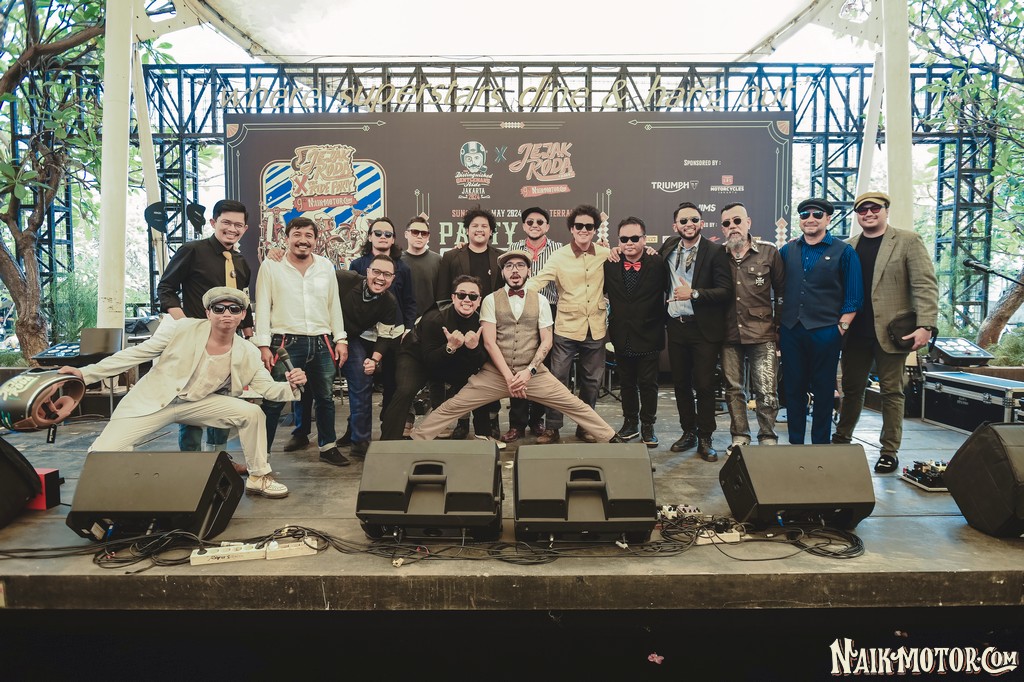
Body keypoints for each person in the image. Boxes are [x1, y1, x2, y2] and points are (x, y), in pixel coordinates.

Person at [59, 288, 306, 499]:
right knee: (100, 455)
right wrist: (84, 374)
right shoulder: (181, 328)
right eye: (219, 309)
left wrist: (291, 386)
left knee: (252, 413)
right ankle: (112, 496)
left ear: (242, 315)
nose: (226, 314)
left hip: (197, 404)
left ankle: (259, 477)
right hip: (152, 401)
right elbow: (136, 354)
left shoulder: (248, 352)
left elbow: (268, 389)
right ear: (208, 313)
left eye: (234, 309)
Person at [411, 250, 623, 444]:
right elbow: (489, 342)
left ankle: (610, 437)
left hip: (533, 374)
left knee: (573, 403)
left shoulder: (540, 300)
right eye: (509, 266)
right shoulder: (490, 300)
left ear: (528, 271)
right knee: (454, 405)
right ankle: (416, 439)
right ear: (503, 272)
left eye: (520, 265)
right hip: (495, 373)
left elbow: (547, 341)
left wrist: (529, 372)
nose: (515, 270)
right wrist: (509, 378)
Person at [832, 191, 939, 473]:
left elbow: (925, 284)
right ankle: (841, 439)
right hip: (855, 332)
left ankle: (889, 451)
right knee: (851, 389)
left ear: (886, 210)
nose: (868, 213)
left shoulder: (907, 241)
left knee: (892, 392)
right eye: (862, 209)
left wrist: (926, 325)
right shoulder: (848, 247)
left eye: (874, 208)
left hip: (893, 332)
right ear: (857, 214)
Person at [157, 198, 253, 455]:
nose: (232, 229)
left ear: (245, 229)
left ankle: (218, 459)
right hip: (196, 342)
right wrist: (184, 323)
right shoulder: (192, 250)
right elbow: (165, 288)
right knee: (192, 403)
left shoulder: (241, 262)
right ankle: (192, 462)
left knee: (224, 402)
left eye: (238, 225)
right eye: (226, 222)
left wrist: (249, 337)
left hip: (229, 344)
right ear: (213, 222)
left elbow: (243, 302)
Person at [254, 217, 348, 465]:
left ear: (316, 240)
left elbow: (334, 304)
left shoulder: (325, 266)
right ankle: (261, 457)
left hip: (321, 341)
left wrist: (340, 339)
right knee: (274, 400)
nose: (302, 240)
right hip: (284, 342)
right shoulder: (271, 266)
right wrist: (263, 345)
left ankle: (328, 447)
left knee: (325, 398)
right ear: (287, 238)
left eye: (308, 235)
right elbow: (262, 306)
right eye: (297, 234)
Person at [779, 198, 863, 445]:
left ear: (828, 218)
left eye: (817, 214)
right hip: (792, 330)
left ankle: (820, 444)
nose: (810, 219)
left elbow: (854, 296)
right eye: (805, 215)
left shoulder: (844, 251)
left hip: (826, 331)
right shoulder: (787, 250)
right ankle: (795, 442)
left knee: (824, 390)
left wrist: (841, 328)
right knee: (793, 389)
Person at [658, 202, 733, 462]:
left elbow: (725, 291)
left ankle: (706, 437)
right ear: (675, 226)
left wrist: (695, 294)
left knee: (704, 385)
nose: (689, 224)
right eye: (683, 221)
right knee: (680, 384)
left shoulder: (716, 251)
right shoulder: (668, 247)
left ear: (701, 223)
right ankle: (688, 432)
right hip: (676, 326)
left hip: (703, 329)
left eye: (694, 219)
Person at [529, 204, 610, 444]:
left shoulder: (605, 254)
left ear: (594, 229)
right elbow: (539, 280)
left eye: (589, 226)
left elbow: (629, 259)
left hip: (595, 328)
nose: (584, 230)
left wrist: (648, 250)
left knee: (592, 382)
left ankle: (585, 426)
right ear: (572, 229)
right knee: (557, 379)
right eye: (579, 226)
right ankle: (552, 428)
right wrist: (514, 293)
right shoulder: (559, 256)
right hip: (565, 327)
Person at [379, 275, 489, 441]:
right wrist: (449, 348)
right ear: (453, 297)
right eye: (461, 295)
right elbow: (429, 361)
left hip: (450, 360)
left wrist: (473, 348)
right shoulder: (434, 318)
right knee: (405, 390)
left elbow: (479, 362)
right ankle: (387, 443)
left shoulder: (480, 322)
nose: (467, 300)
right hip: (417, 357)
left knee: (479, 383)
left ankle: (484, 435)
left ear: (479, 301)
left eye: (473, 296)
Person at [718, 202, 785, 453]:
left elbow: (782, 293)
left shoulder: (769, 252)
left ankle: (767, 436)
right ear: (722, 229)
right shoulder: (717, 255)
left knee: (766, 389)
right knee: (734, 389)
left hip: (762, 332)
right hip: (728, 333)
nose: (732, 226)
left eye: (737, 221)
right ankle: (740, 437)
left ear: (748, 223)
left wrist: (778, 329)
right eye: (727, 223)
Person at [434, 207, 504, 440]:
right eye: (475, 225)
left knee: (489, 371)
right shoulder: (451, 256)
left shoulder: (500, 258)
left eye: (484, 226)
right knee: (459, 374)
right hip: (459, 324)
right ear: (466, 230)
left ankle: (491, 420)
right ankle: (462, 421)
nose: (479, 229)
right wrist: (451, 323)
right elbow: (443, 296)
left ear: (491, 231)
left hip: (490, 325)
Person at [604, 217, 668, 448]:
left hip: (649, 333)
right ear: (618, 241)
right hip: (622, 334)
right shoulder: (609, 263)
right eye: (624, 239)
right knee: (627, 383)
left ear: (644, 239)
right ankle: (630, 422)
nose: (629, 243)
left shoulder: (658, 262)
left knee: (648, 384)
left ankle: (648, 425)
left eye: (634, 238)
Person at [502, 206, 563, 442]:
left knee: (541, 366)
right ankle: (517, 424)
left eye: (539, 222)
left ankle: (537, 418)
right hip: (519, 311)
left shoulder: (558, 250)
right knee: (519, 363)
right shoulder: (514, 248)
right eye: (530, 222)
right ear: (523, 226)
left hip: (550, 310)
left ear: (547, 226)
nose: (534, 225)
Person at [337, 255, 405, 459]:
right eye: (376, 272)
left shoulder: (389, 301)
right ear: (367, 271)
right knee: (313, 388)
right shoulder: (345, 279)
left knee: (362, 379)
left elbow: (384, 336)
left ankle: (360, 441)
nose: (380, 278)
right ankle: (305, 434)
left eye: (387, 274)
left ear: (393, 278)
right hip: (323, 333)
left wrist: (374, 361)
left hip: (351, 338)